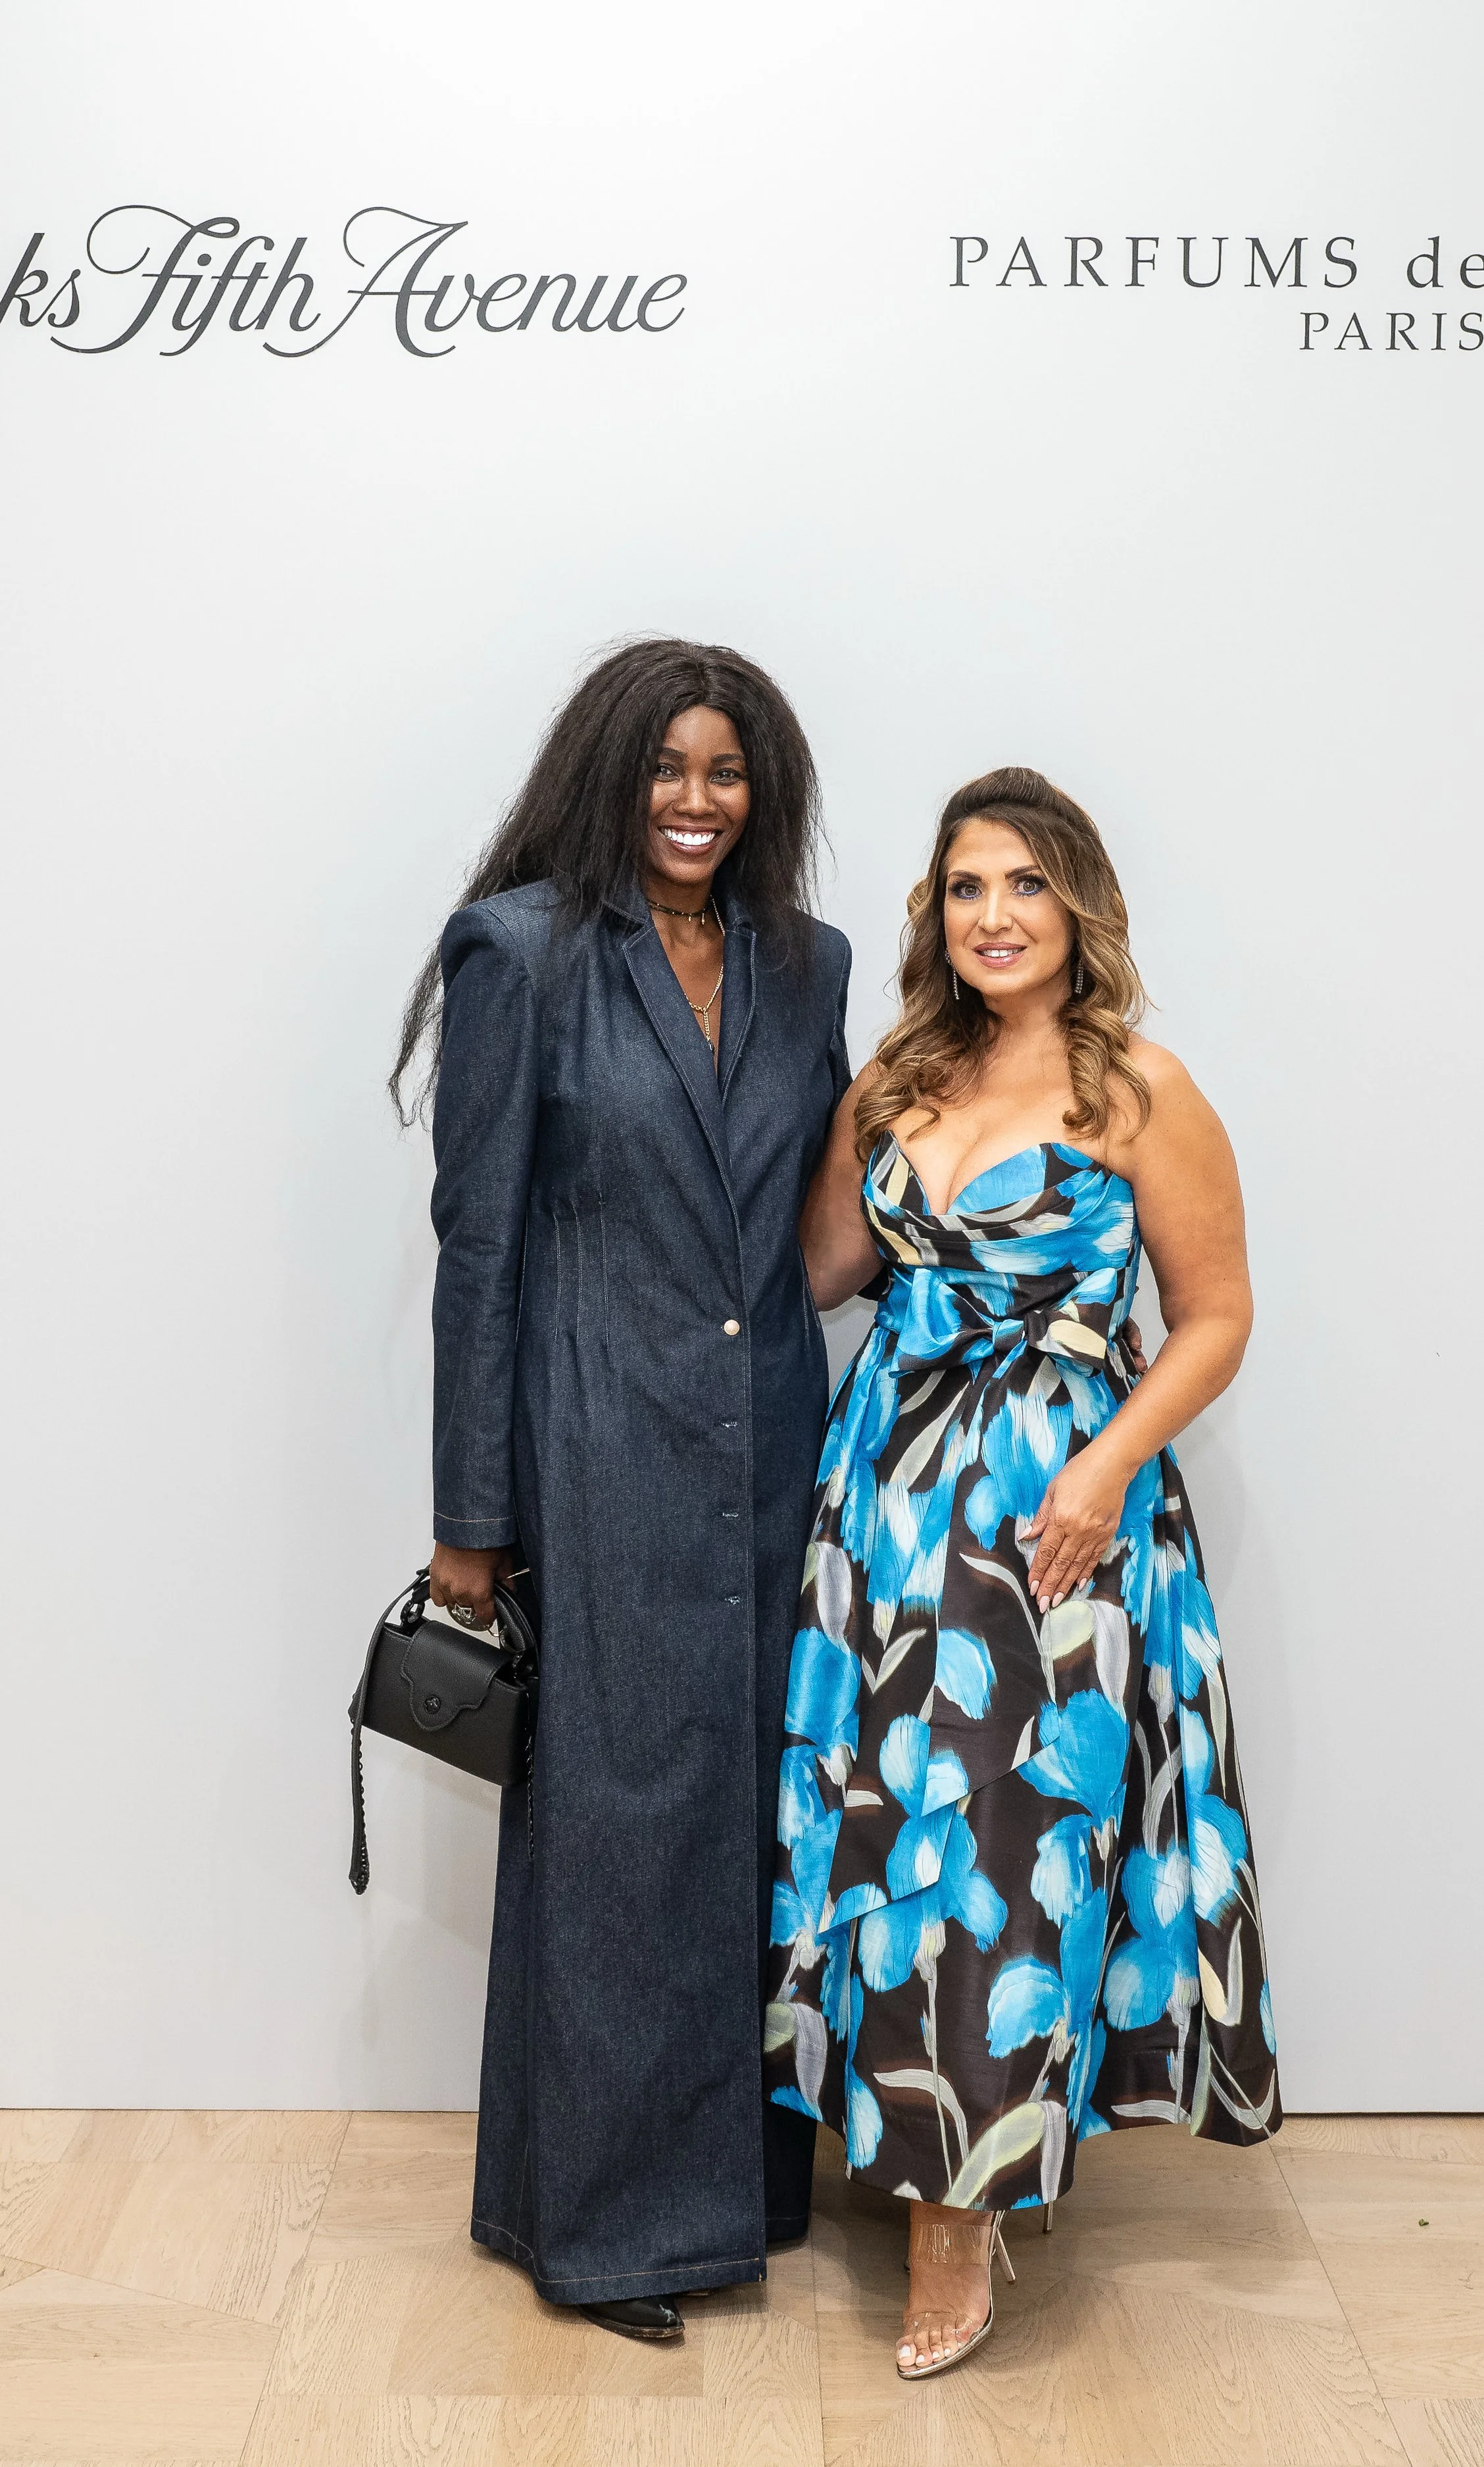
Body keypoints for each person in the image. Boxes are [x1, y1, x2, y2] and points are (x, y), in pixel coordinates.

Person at [763, 766, 1281, 2380]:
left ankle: (957, 2213)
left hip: (1053, 1516)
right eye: (966, 888)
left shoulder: (1142, 1092)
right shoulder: (898, 1077)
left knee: (1000, 1841)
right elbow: (824, 1273)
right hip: (885, 1505)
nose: (994, 916)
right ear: (937, 913)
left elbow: (1215, 1316)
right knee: (878, 1824)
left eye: (1025, 888)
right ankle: (919, 2136)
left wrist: (1104, 1464)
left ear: (1077, 912)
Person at [390, 639, 849, 2340]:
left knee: (756, 1824)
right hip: (595, 1453)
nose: (694, 800)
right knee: (616, 1835)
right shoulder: (521, 953)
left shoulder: (807, 962)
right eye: (665, 766)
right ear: (610, 771)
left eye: (725, 771)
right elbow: (480, 1250)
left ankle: (746, 2189)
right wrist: (469, 1519)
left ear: (763, 790)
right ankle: (601, 2231)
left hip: (776, 1451)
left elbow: (822, 1214)